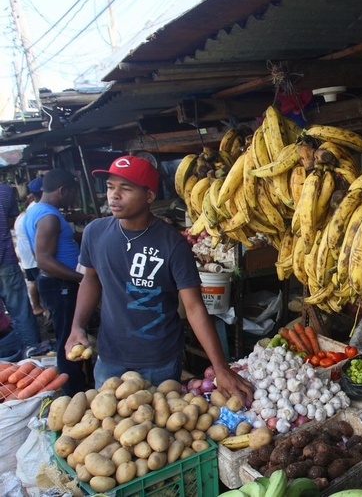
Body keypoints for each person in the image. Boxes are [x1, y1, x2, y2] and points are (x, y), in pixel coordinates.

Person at [66, 155, 253, 402]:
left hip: (160, 361)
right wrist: (76, 327)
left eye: (125, 188)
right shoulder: (95, 232)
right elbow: (90, 279)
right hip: (110, 359)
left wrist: (220, 368)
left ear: (149, 196)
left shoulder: (172, 244)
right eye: (110, 187)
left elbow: (194, 306)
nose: (114, 195)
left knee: (160, 433)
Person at [23, 169, 87, 395]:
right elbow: (44, 260)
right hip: (60, 286)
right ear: (63, 191)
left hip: (55, 285)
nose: (74, 199)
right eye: (73, 194)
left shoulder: (37, 211)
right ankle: (74, 390)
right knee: (68, 339)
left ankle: (74, 384)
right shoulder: (48, 217)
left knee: (66, 334)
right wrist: (82, 279)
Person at [0, 179, 39, 358]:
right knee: (21, 309)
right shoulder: (5, 191)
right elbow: (10, 221)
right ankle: (32, 351)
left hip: (7, 259)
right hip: (6, 258)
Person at [15, 177, 46, 316]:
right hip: (33, 255)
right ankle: (43, 309)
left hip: (28, 255)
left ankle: (37, 307)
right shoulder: (39, 211)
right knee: (39, 283)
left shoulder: (28, 211)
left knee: (33, 282)